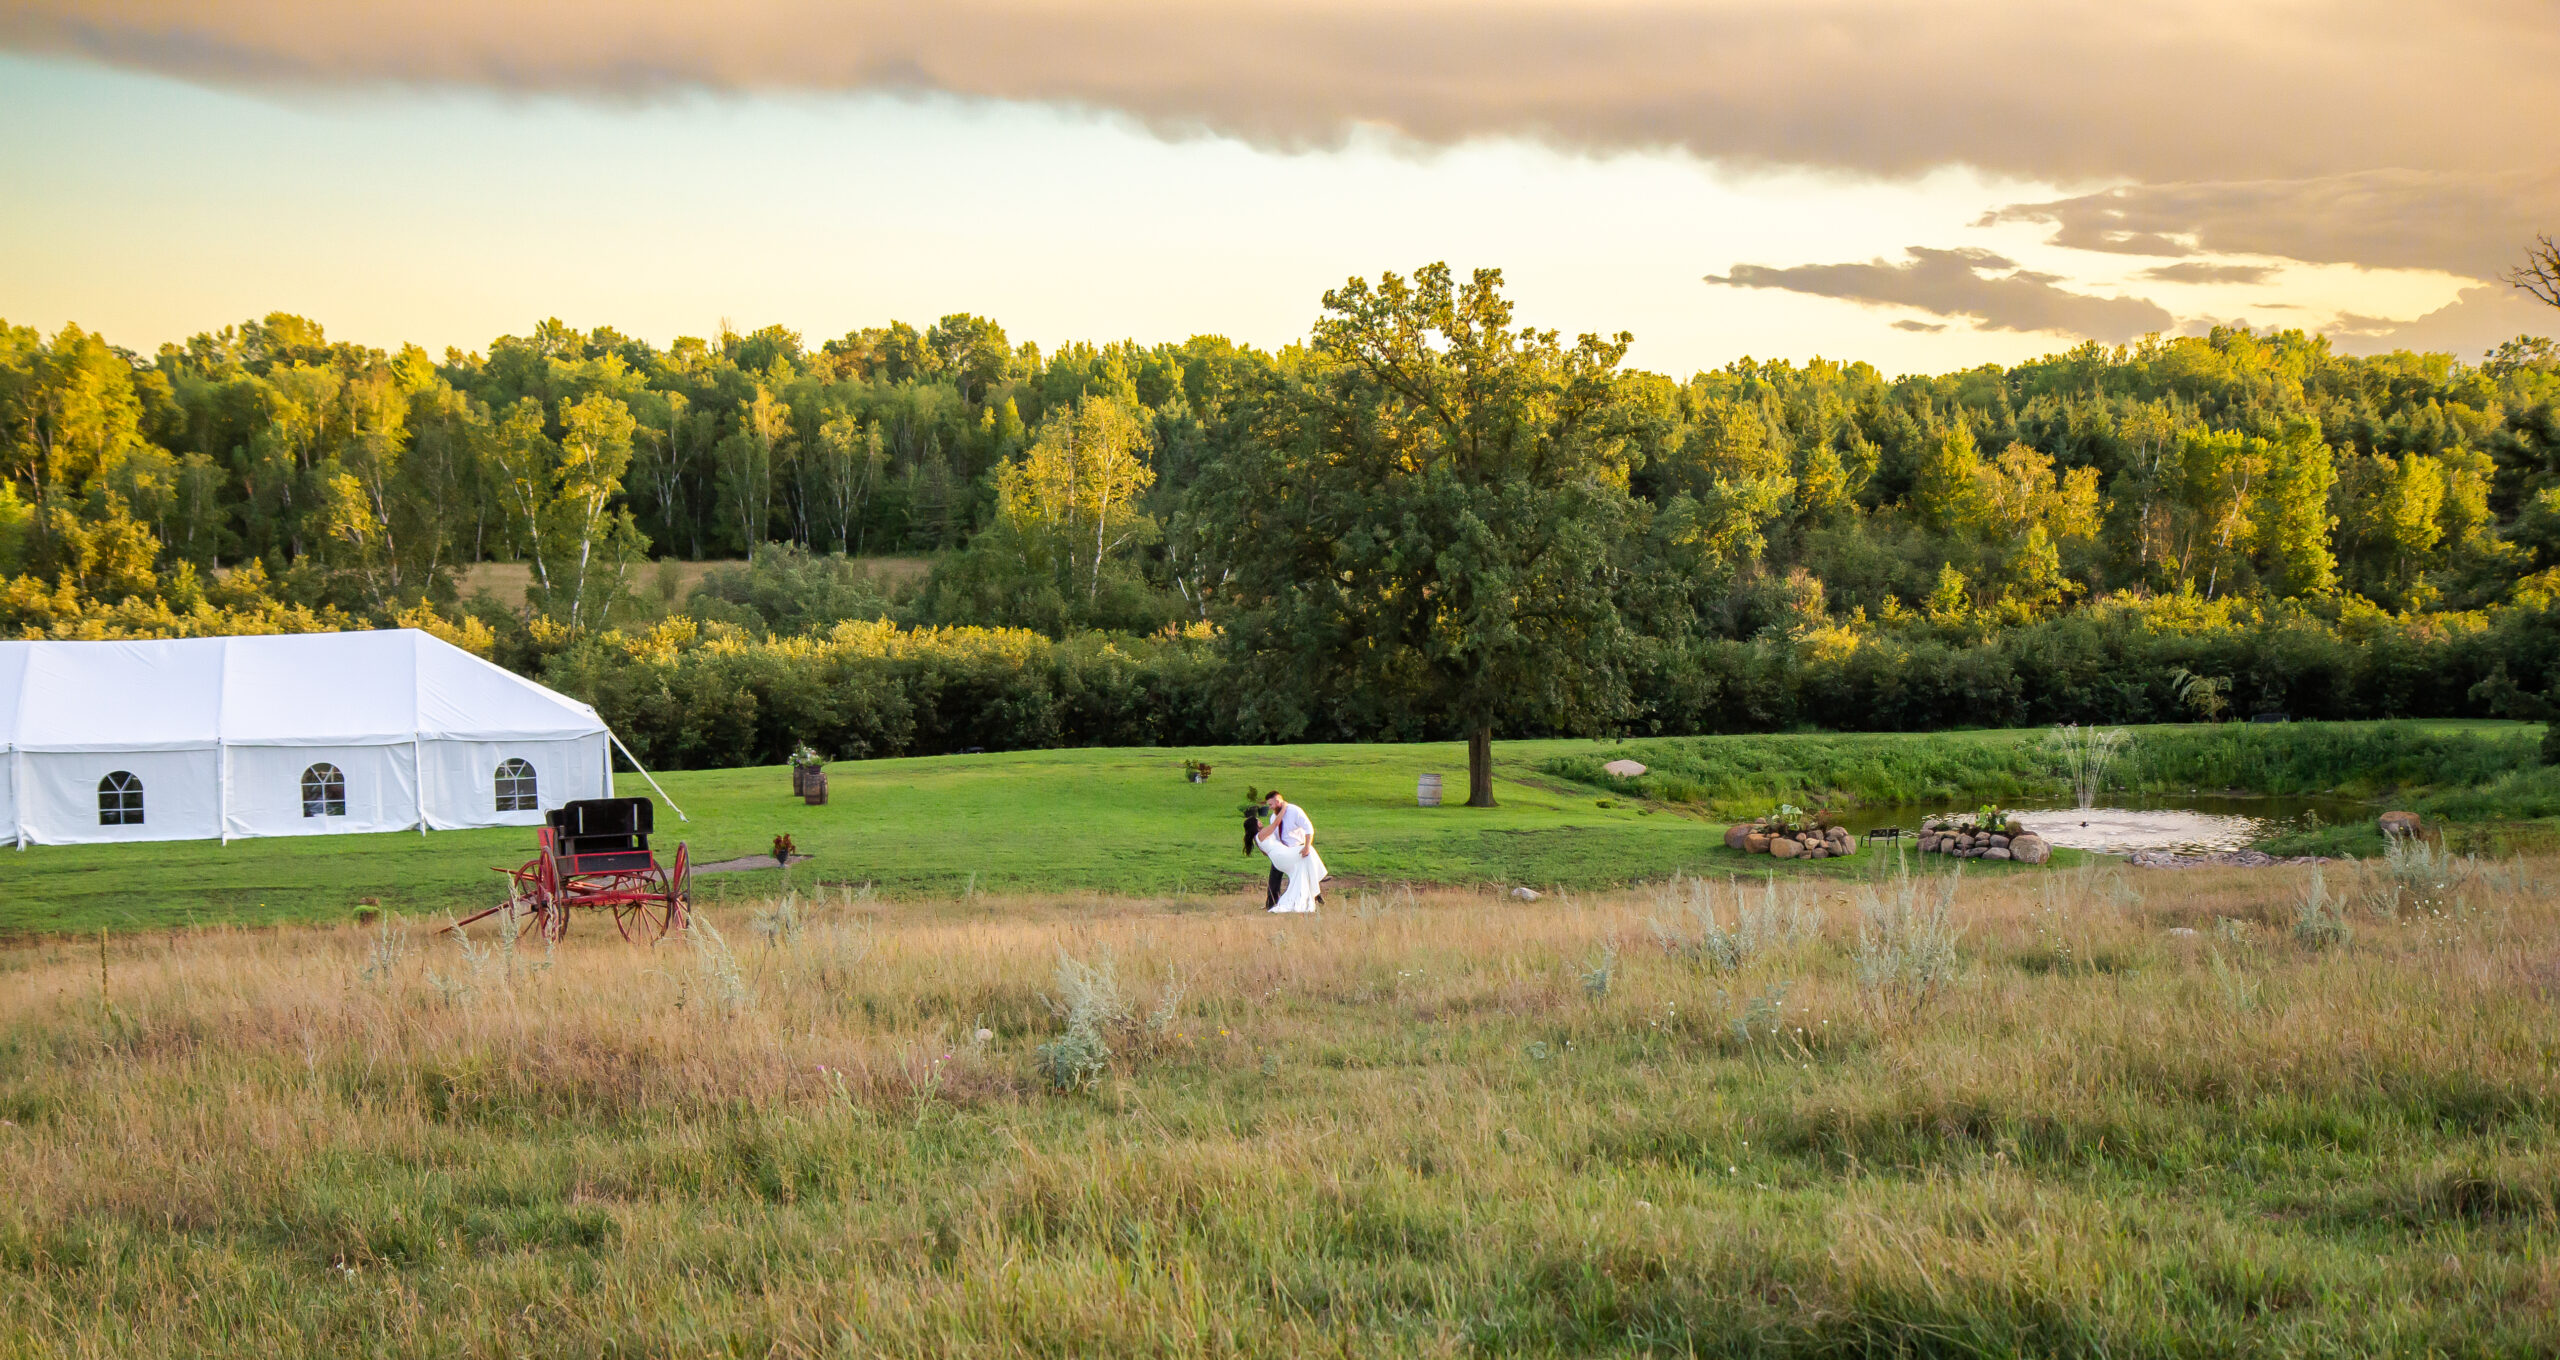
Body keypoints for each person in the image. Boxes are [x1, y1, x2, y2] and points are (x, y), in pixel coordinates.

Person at [1252, 800, 1324, 913]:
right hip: (1281, 854)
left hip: (1279, 854)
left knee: (1305, 860)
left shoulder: (1258, 837)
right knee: (1308, 850)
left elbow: (1265, 852)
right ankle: (1317, 885)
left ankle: (1314, 891)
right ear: (1255, 825)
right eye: (1258, 821)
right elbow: (1276, 824)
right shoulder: (1261, 833)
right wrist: (1284, 808)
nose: (1261, 822)